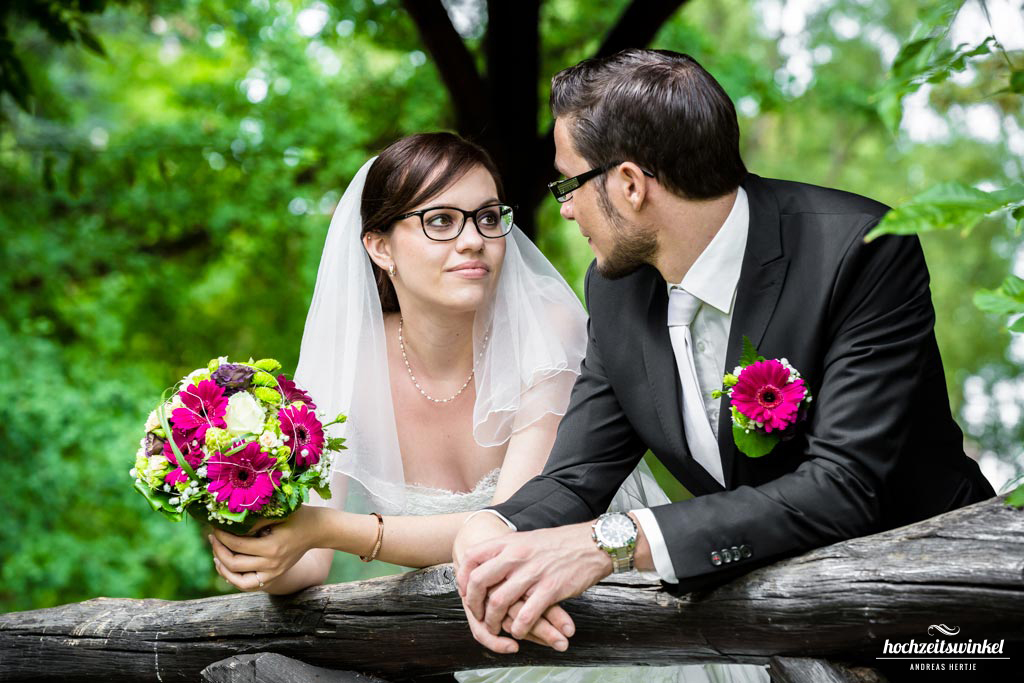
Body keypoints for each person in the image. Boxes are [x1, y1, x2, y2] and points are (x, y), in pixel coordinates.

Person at [453, 49, 996, 658]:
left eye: (568, 182)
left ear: (630, 185)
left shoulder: (859, 249)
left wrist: (607, 544)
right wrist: (494, 527)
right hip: (781, 630)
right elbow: (580, 474)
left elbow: (843, 486)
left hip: (948, 607)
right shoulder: (614, 290)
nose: (566, 207)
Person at [207, 132, 767, 682]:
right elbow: (310, 562)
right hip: (469, 645)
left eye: (488, 217)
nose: (473, 240)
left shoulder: (546, 332)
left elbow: (511, 524)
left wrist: (326, 528)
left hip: (606, 619)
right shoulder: (350, 362)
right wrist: (258, 547)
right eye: (441, 221)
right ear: (379, 246)